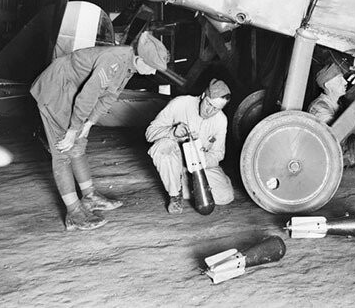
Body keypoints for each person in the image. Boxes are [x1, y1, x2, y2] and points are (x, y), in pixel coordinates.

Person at [31, 31, 169, 231]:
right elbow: (87, 96)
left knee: (78, 145)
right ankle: (74, 213)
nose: (154, 73)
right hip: (55, 90)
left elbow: (109, 96)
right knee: (62, 150)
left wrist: (88, 123)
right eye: (152, 67)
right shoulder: (114, 61)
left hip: (71, 90)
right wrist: (73, 129)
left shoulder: (128, 65)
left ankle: (90, 198)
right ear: (139, 59)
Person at [146, 78, 234, 214]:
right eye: (209, 104)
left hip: (200, 165)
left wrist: (200, 162)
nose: (210, 111)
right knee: (162, 147)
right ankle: (175, 194)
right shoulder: (180, 103)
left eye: (216, 109)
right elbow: (150, 133)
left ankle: (182, 182)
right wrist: (172, 132)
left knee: (226, 196)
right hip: (176, 157)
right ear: (203, 96)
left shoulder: (221, 120)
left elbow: (218, 154)